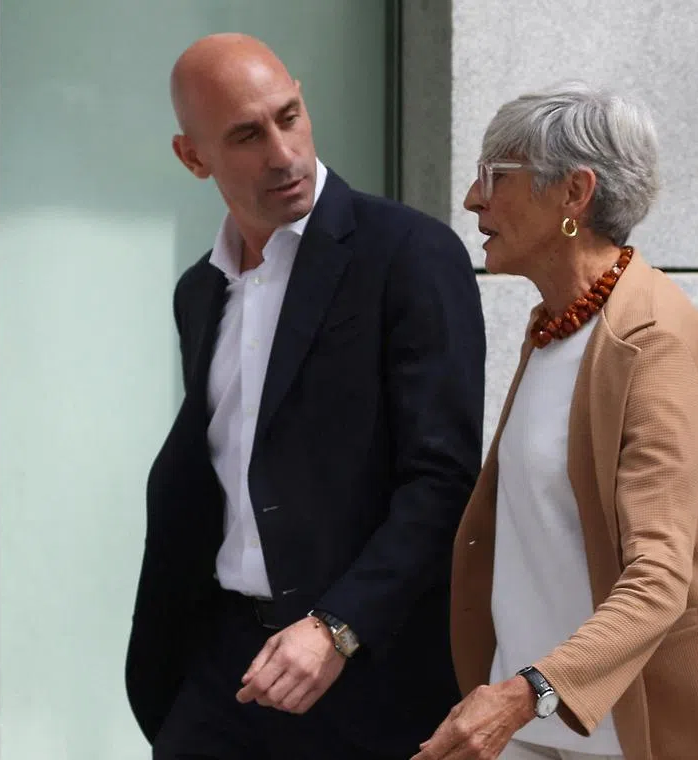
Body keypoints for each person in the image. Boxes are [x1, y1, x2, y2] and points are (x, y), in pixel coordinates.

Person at [125, 34, 487, 760]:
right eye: (247, 135)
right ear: (192, 157)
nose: (283, 153)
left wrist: (338, 628)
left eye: (288, 116)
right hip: (225, 670)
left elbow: (443, 479)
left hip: (367, 672)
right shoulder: (200, 292)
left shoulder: (409, 255)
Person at [414, 82, 698, 760]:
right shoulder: (554, 325)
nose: (473, 199)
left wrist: (528, 690)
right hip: (528, 723)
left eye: (495, 177)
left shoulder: (650, 344)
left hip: (624, 734)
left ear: (572, 195)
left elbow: (658, 579)